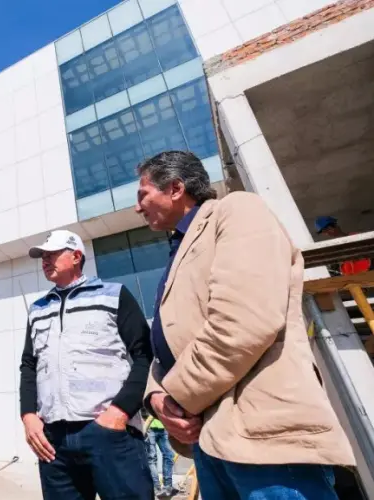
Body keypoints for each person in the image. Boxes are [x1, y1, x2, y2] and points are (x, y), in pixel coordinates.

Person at [135, 151, 355, 499]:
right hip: (209, 439)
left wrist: (177, 396)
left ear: (176, 188)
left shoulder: (238, 210)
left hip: (263, 439)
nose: (138, 206)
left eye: (143, 194)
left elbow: (243, 322)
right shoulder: (178, 250)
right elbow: (169, 340)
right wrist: (157, 398)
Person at [19, 230, 154, 500]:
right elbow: (29, 365)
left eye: (52, 254)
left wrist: (119, 412)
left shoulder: (113, 296)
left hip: (109, 432)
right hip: (53, 441)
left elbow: (144, 354)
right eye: (42, 256)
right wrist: (28, 416)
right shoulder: (38, 309)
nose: (45, 260)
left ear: (76, 255)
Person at [145, 415, 176, 497]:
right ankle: (156, 488)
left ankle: (168, 486)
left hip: (164, 426)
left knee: (169, 455)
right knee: (152, 457)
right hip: (149, 426)